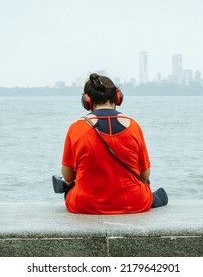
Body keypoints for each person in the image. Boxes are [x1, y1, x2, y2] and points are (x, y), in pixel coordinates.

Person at [53, 73, 168, 214]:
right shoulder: (133, 126)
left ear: (87, 101)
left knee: (71, 186)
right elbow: (145, 175)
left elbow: (68, 176)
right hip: (134, 202)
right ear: (118, 97)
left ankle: (67, 187)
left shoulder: (76, 128)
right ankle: (154, 197)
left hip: (86, 204)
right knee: (147, 187)